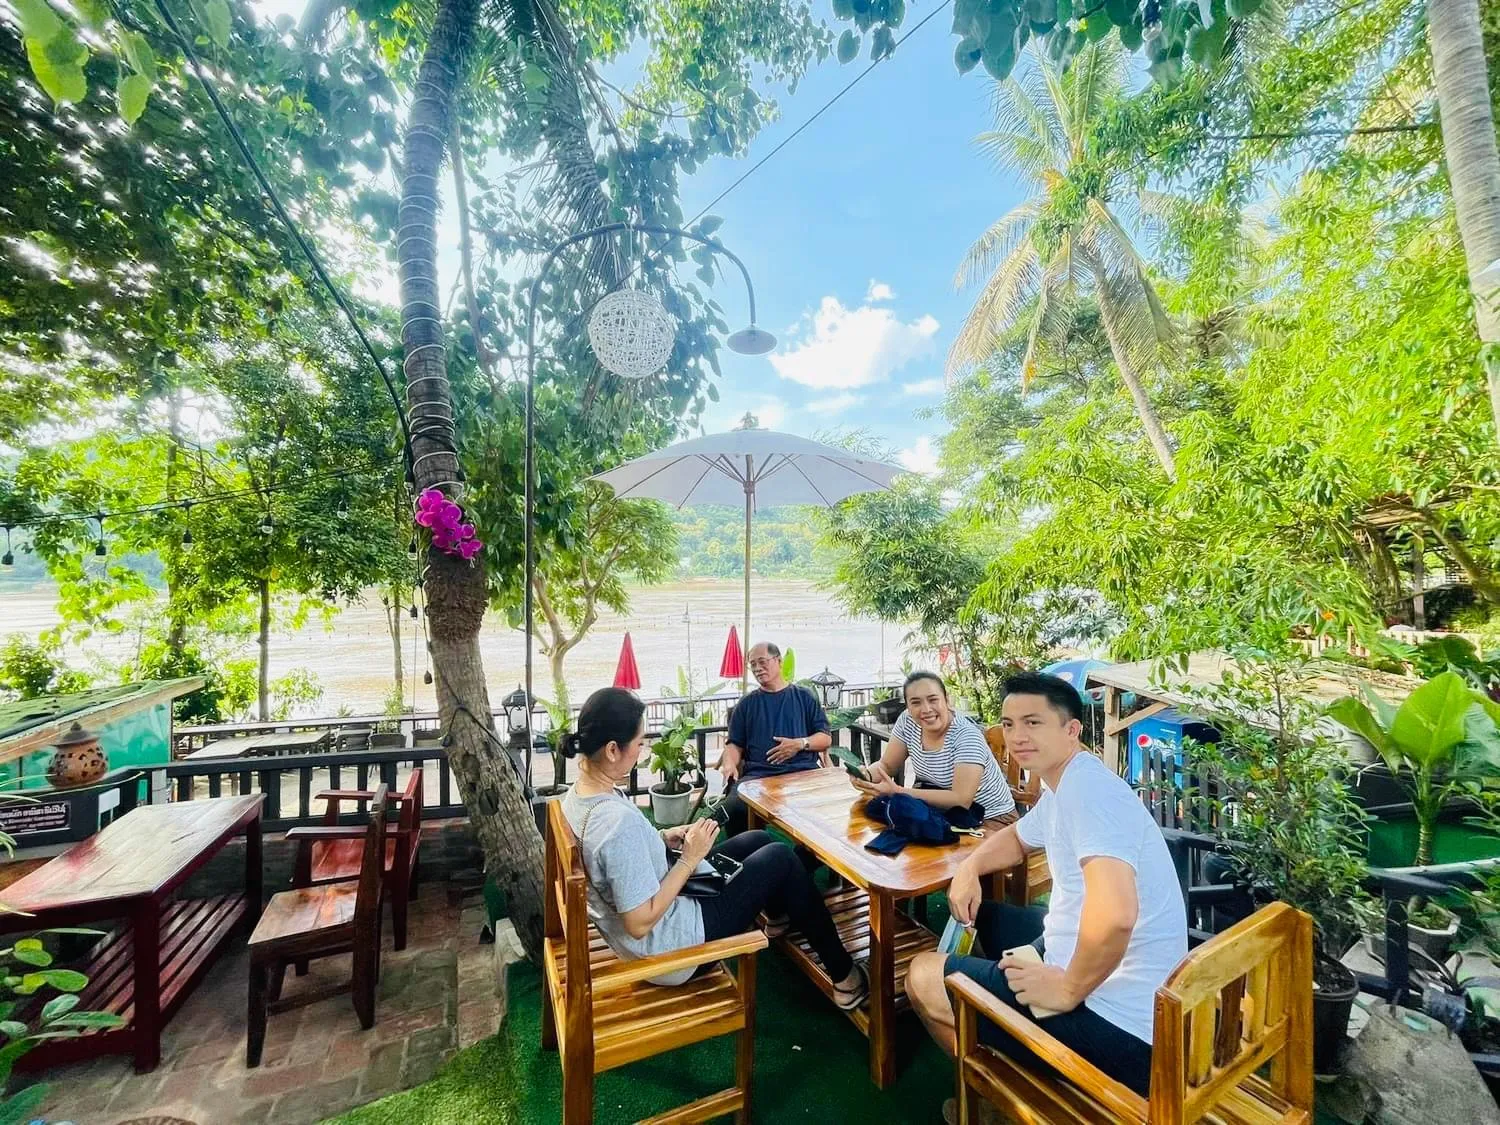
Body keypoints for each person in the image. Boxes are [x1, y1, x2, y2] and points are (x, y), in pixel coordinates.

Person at [906, 671, 1186, 1115]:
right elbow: (1017, 838)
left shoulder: (1090, 794)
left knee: (921, 976)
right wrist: (969, 868)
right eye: (1009, 724)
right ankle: (1008, 1041)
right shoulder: (1066, 782)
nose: (1017, 736)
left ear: (1071, 729)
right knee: (986, 916)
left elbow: (1116, 915)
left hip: (1127, 1033)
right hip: (1114, 981)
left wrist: (1067, 990)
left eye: (1033, 722)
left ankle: (998, 1104)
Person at [561, 686, 869, 1007]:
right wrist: (688, 859)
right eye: (639, 743)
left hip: (663, 913)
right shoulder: (615, 823)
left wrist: (664, 836)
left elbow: (621, 858)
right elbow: (639, 923)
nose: (641, 750)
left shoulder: (582, 796)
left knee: (758, 840)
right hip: (671, 948)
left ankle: (779, 914)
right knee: (779, 857)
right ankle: (846, 978)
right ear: (613, 750)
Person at [850, 671, 1016, 822]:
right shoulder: (907, 721)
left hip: (992, 818)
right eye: (916, 703)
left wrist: (898, 791)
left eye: (933, 699)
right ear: (908, 706)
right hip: (944, 814)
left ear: (947, 700)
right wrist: (866, 776)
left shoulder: (966, 736)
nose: (926, 709)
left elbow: (961, 799)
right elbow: (887, 765)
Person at [717, 641, 831, 836]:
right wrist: (729, 764)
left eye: (762, 662)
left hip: (803, 774)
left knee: (828, 812)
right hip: (759, 777)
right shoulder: (747, 704)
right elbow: (734, 744)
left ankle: (806, 854)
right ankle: (744, 852)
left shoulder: (804, 697)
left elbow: (825, 739)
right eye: (753, 664)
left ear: (778, 661)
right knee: (733, 809)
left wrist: (800, 744)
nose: (757, 668)